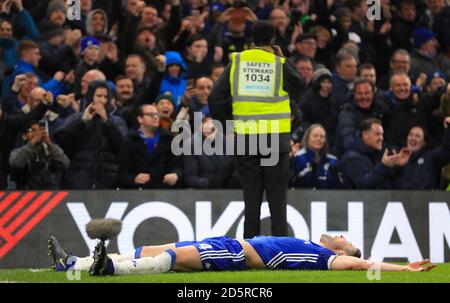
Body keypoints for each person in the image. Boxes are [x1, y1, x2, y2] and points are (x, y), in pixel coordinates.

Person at [209, 21, 305, 238]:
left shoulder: (237, 61)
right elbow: (301, 85)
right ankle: (280, 254)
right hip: (276, 140)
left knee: (251, 200)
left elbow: (214, 98)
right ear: (273, 40)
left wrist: (227, 125)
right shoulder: (278, 63)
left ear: (251, 39)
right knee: (277, 202)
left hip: (246, 138)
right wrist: (282, 59)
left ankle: (250, 252)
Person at [47, 234, 435, 276]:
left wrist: (405, 268)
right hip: (229, 243)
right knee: (151, 248)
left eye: (345, 239)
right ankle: (74, 264)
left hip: (237, 253)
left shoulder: (325, 258)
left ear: (340, 251)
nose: (341, 236)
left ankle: (108, 268)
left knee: (173, 259)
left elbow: (364, 264)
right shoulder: (315, 245)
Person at [340, 118, 412, 189]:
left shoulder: (380, 154)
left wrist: (398, 166)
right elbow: (364, 185)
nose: (381, 138)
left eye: (382, 134)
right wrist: (383, 166)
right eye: (377, 134)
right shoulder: (351, 158)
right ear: (365, 135)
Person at [290, 124, 342, 189]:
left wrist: (335, 177)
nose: (318, 139)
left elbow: (339, 187)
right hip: (303, 197)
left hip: (327, 197)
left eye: (322, 136)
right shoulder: (298, 157)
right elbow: (292, 183)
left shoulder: (333, 160)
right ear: (307, 138)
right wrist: (309, 172)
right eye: (315, 136)